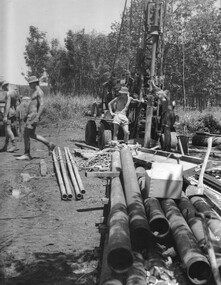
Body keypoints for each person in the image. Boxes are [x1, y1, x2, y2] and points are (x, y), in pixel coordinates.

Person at [16, 76, 56, 160]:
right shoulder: (35, 91)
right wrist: (26, 114)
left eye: (30, 83)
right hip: (31, 116)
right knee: (31, 134)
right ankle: (49, 144)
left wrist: (37, 116)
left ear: (34, 83)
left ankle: (27, 154)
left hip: (33, 116)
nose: (29, 85)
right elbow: (32, 104)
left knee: (26, 134)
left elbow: (42, 105)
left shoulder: (39, 92)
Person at [0, 81, 19, 152]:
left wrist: (5, 116)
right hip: (13, 112)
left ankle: (14, 145)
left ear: (5, 85)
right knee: (7, 128)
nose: (3, 89)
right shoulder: (14, 92)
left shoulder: (8, 93)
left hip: (8, 112)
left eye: (3, 87)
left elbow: (8, 105)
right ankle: (5, 146)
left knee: (7, 128)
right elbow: (16, 104)